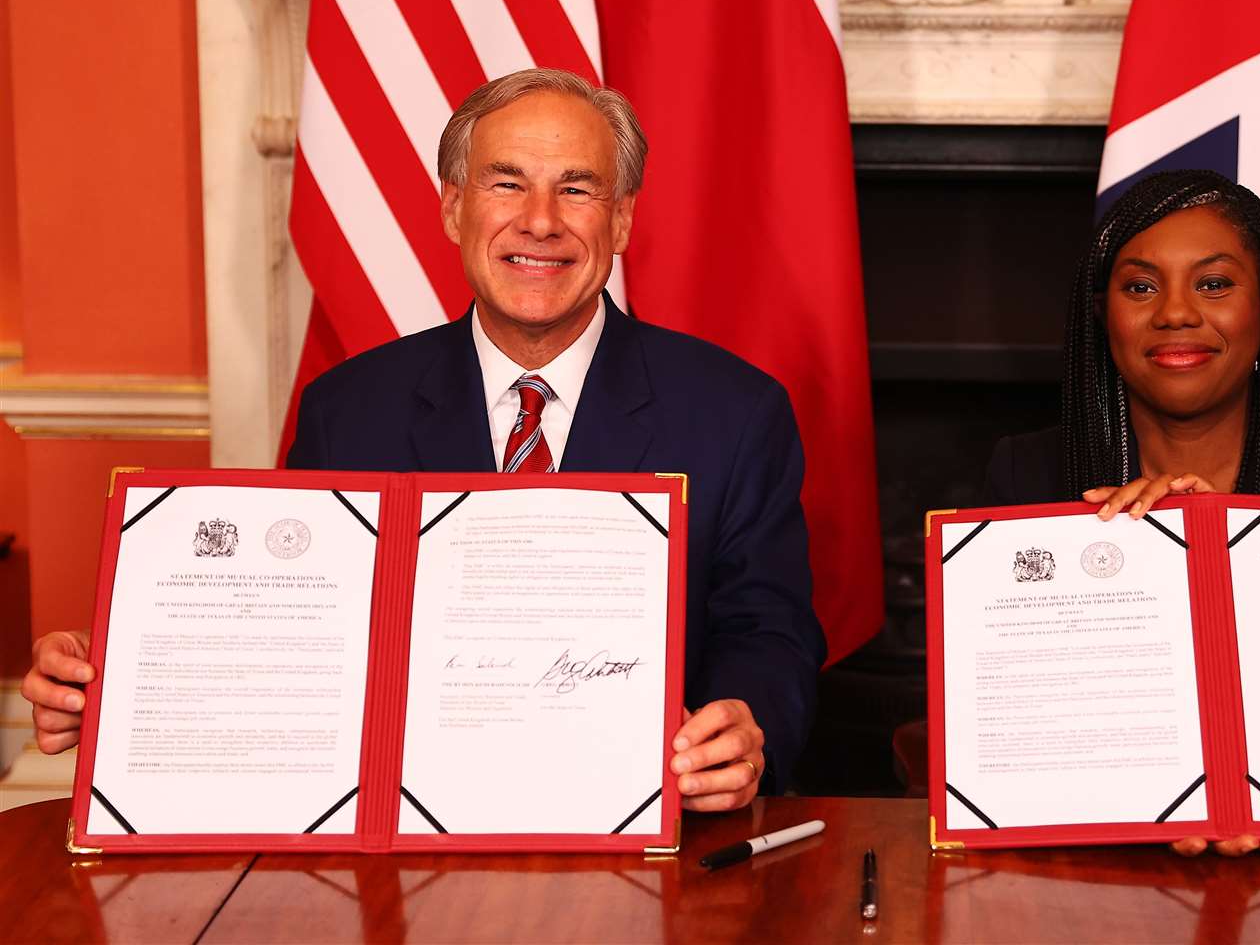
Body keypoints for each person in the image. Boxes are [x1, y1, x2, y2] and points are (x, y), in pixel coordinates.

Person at [23, 68, 825, 812]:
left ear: (619, 221)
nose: (539, 221)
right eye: (505, 182)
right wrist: (124, 677)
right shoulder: (347, 412)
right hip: (404, 841)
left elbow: (768, 632)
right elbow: (286, 630)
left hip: (647, 824)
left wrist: (744, 729)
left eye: (576, 189)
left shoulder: (735, 412)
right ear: (453, 208)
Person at [986, 168, 1260, 855]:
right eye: (1140, 287)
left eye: (1213, 284)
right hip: (1089, 864)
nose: (1176, 313)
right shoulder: (1028, 477)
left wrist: (1225, 554)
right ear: (1103, 314)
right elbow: (1012, 720)